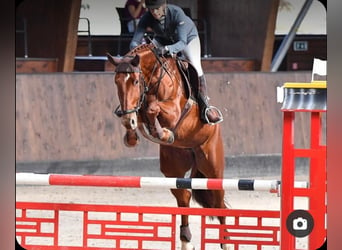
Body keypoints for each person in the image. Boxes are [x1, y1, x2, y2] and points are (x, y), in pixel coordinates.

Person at [129, 0, 223, 125]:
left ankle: (205, 106)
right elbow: (134, 41)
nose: (154, 12)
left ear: (164, 6)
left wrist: (168, 49)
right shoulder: (147, 17)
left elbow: (181, 43)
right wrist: (137, 51)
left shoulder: (176, 13)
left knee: (196, 66)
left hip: (187, 39)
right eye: (151, 10)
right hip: (164, 39)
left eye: (157, 9)